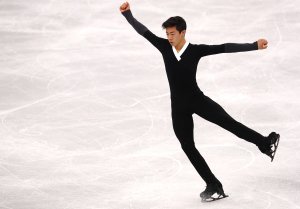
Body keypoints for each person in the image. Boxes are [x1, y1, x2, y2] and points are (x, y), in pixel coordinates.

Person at [119, 1, 280, 202]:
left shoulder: (195, 51)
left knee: (229, 123)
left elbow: (223, 48)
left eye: (172, 34)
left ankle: (265, 143)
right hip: (178, 107)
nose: (169, 37)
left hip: (198, 100)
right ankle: (213, 184)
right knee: (187, 145)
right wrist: (128, 15)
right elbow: (143, 31)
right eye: (167, 34)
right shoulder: (163, 47)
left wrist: (253, 46)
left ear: (182, 33)